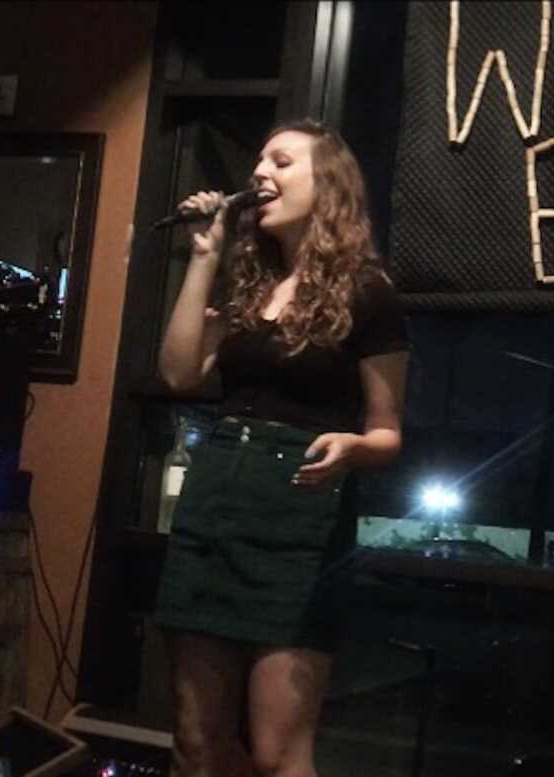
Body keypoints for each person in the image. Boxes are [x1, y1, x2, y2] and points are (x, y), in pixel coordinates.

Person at [153, 119, 410, 777]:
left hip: (299, 521)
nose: (260, 172)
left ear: (327, 186)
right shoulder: (249, 284)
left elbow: (388, 432)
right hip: (215, 507)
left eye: (282, 160)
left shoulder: (369, 292)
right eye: (259, 159)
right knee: (193, 739)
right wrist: (204, 258)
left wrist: (353, 447)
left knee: (276, 753)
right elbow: (179, 374)